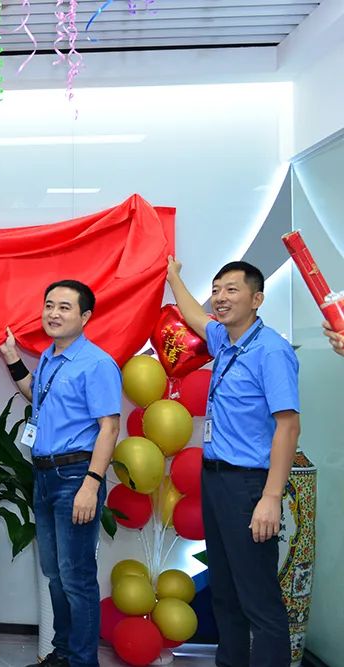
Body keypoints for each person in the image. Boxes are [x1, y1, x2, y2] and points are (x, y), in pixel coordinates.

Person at [167, 258, 299, 667]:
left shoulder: (271, 351)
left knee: (258, 599)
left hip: (250, 487)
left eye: (232, 290)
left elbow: (288, 426)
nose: (220, 298)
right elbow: (193, 314)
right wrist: (173, 276)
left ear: (257, 299)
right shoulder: (223, 340)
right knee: (225, 593)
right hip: (215, 482)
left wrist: (271, 497)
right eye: (216, 289)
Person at [0, 280, 121, 667]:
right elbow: (37, 395)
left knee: (76, 577)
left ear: (85, 316)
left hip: (76, 477)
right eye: (49, 305)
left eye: (64, 307)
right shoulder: (49, 358)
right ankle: (64, 653)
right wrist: (12, 358)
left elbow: (109, 428)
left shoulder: (97, 364)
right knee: (54, 574)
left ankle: (83, 661)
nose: (53, 313)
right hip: (44, 476)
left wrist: (92, 484)